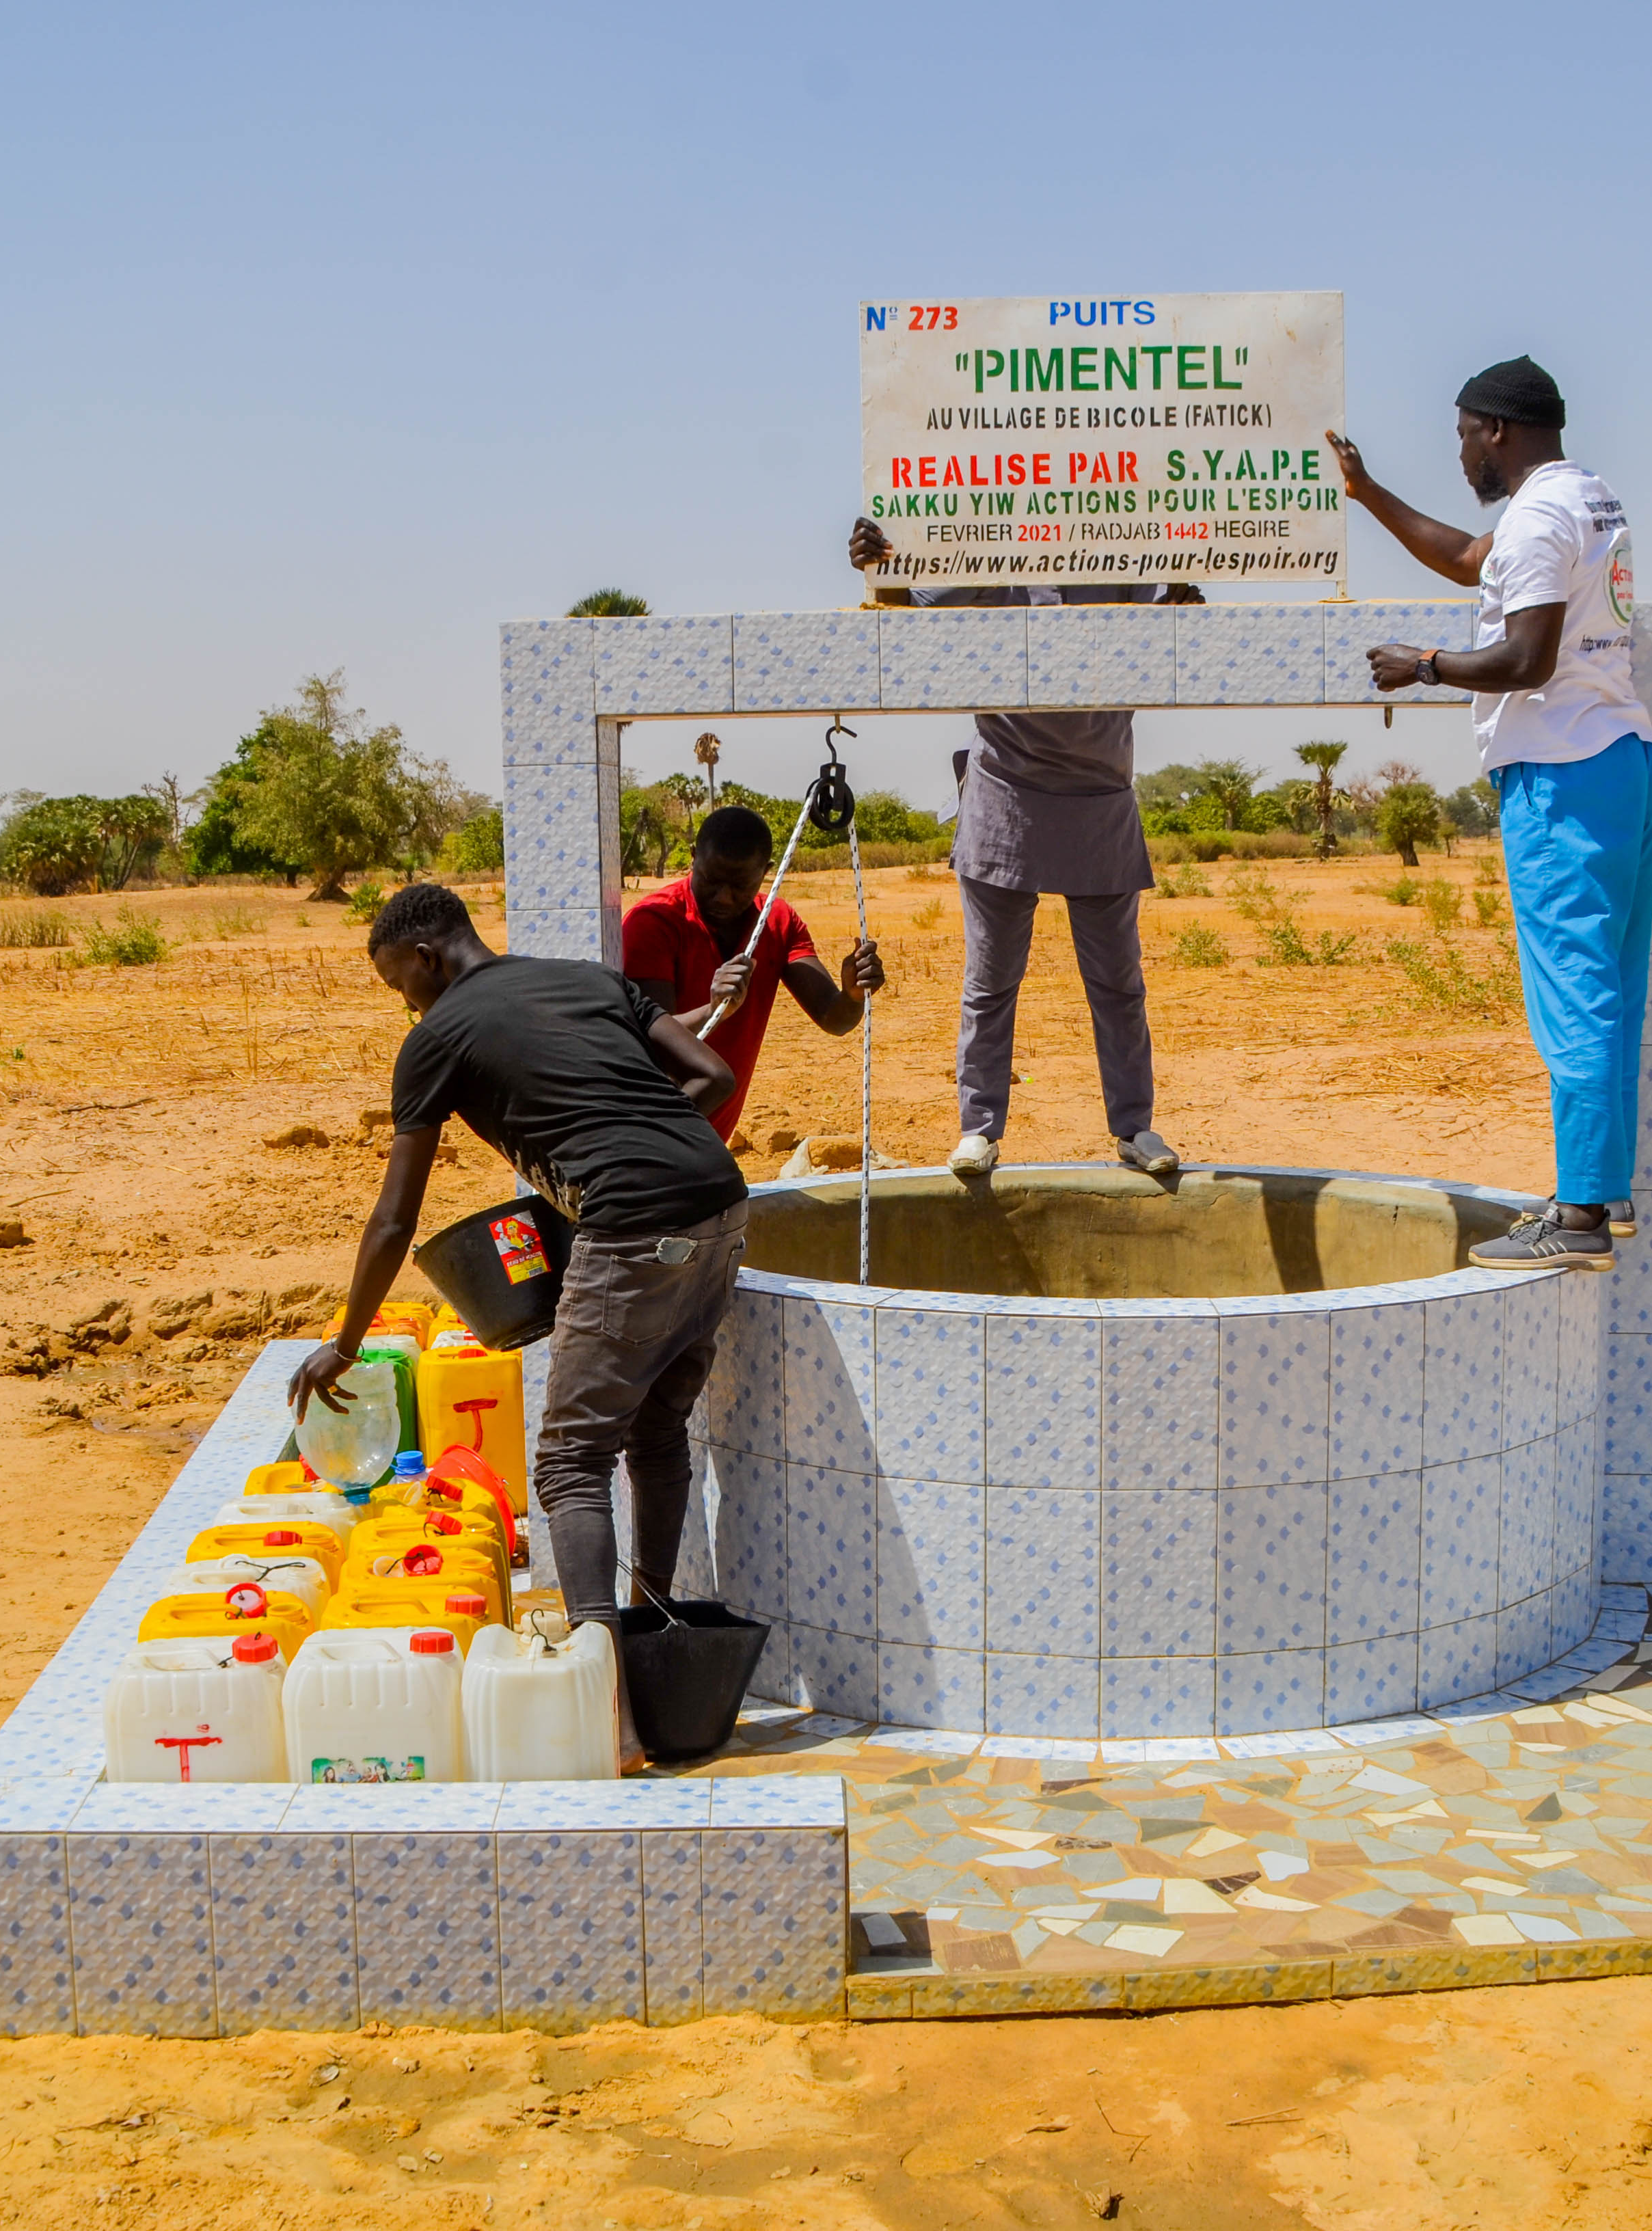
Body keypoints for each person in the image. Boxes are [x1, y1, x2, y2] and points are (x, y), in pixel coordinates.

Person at [290, 883, 749, 1710]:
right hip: (720, 1208)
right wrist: (637, 1147)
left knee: (570, 1460)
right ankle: (646, 1639)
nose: (406, 1004)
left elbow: (394, 1220)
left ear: (427, 958)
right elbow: (712, 1075)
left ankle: (602, 1706)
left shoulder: (435, 1038)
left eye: (400, 984)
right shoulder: (587, 979)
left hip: (632, 1227)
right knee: (655, 1430)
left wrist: (346, 1343)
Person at [1329, 354, 1652, 1273]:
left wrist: (1425, 665)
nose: (1461, 454)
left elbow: (1526, 659)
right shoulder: (1584, 499)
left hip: (1562, 774)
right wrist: (1367, 493)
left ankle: (1579, 1215)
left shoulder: (1539, 519)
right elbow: (1473, 560)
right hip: (1621, 763)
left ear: (1496, 430)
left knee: (1572, 996)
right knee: (1610, 990)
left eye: (1464, 435)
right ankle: (1604, 1188)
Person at [847, 517, 1191, 1178]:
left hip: (1101, 798)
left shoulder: (1120, 556)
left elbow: (1172, 624)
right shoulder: (988, 552)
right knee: (991, 982)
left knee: (1118, 985)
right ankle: (978, 1129)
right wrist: (878, 567)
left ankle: (1134, 1128)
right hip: (1005, 796)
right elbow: (908, 613)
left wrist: (1186, 601)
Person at [621, 804, 886, 1144]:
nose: (723, 898)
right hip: (653, 1133)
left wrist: (852, 994)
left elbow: (834, 1019)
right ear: (693, 857)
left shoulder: (777, 922)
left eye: (740, 885)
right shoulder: (654, 922)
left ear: (766, 873)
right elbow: (651, 1046)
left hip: (706, 1138)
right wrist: (713, 1010)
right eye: (711, 880)